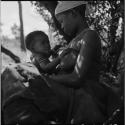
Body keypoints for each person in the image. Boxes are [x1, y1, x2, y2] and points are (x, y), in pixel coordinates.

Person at [2, 1, 120, 124]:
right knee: (12, 72)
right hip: (63, 85)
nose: (61, 26)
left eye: (62, 21)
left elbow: (77, 78)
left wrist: (47, 78)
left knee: (14, 74)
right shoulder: (73, 41)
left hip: (81, 89)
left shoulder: (89, 36)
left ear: (73, 13)